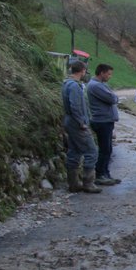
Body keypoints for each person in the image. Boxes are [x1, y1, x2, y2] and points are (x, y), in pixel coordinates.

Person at [61, 60, 101, 194]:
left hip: (69, 121)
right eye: (85, 71)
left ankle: (73, 183)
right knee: (92, 151)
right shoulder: (74, 86)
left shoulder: (66, 84)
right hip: (76, 123)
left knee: (74, 151)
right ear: (82, 70)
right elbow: (75, 106)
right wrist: (82, 122)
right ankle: (88, 183)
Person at [86, 63, 121, 186]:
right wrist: (114, 96)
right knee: (104, 149)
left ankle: (106, 173)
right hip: (102, 121)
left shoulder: (100, 85)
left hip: (106, 120)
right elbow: (112, 98)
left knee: (108, 149)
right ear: (102, 73)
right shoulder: (96, 86)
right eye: (109, 74)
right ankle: (100, 174)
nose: (110, 76)